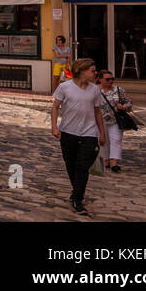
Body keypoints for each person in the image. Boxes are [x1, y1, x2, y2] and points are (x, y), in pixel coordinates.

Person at [51, 58, 106, 215]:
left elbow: (97, 112)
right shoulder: (64, 87)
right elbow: (55, 107)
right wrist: (54, 127)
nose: (95, 73)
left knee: (82, 167)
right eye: (93, 70)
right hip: (68, 132)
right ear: (82, 71)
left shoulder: (94, 89)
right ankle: (76, 192)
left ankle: (77, 199)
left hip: (89, 133)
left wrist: (102, 133)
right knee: (71, 165)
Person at [97, 71, 133, 172]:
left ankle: (114, 163)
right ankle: (105, 160)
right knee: (103, 140)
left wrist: (124, 107)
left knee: (116, 139)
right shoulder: (95, 90)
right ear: (100, 79)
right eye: (107, 79)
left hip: (115, 119)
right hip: (100, 120)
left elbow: (129, 102)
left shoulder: (118, 90)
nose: (110, 81)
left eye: (112, 79)